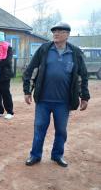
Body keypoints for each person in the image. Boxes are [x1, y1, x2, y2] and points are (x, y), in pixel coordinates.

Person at [23, 22, 90, 167]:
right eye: (54, 31)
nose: (56, 34)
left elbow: (83, 75)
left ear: (67, 35)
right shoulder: (44, 49)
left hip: (63, 102)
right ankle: (35, 155)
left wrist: (84, 96)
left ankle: (57, 155)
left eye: (60, 31)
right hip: (43, 100)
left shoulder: (75, 52)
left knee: (61, 131)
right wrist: (27, 91)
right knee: (39, 128)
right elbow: (30, 70)